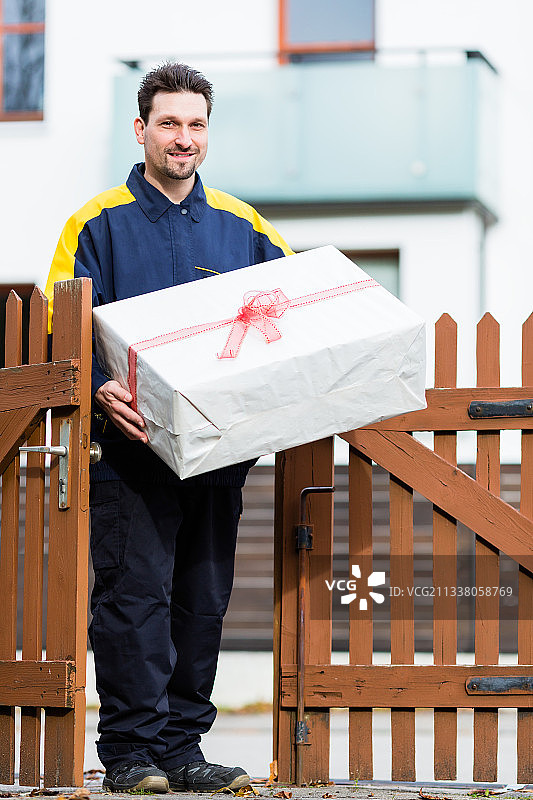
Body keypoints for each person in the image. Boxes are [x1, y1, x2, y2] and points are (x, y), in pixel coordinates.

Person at [44, 62, 292, 794]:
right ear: (141, 129)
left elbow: (291, 321)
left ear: (206, 133)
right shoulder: (95, 224)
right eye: (168, 123)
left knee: (201, 601)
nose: (182, 138)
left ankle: (184, 750)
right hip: (128, 454)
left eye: (195, 125)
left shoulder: (244, 226)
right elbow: (63, 333)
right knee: (133, 600)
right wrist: (97, 391)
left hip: (220, 452)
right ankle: (129, 754)